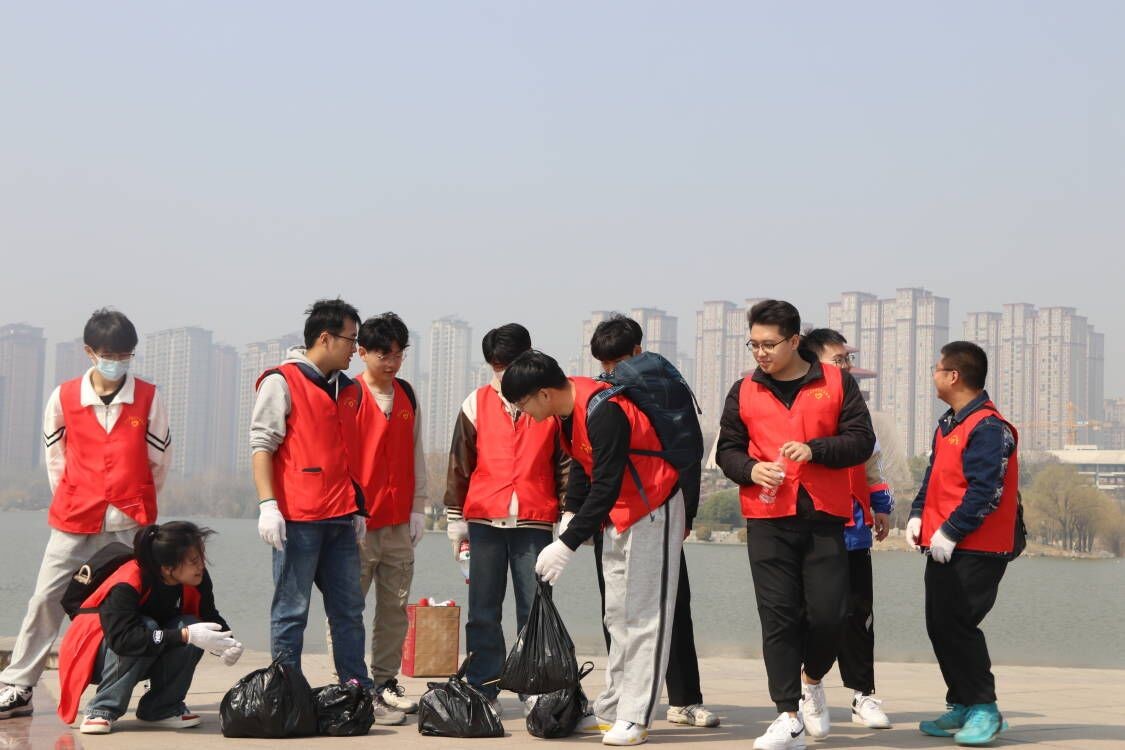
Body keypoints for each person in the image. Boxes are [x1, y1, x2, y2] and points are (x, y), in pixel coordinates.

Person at [501, 350, 684, 747]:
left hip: (651, 506)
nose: (521, 412)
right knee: (617, 615)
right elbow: (583, 470)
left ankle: (636, 716)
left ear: (544, 393)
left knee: (645, 617)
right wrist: (570, 514)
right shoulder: (566, 415)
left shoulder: (604, 411)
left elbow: (606, 484)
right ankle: (613, 707)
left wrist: (566, 544)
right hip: (618, 515)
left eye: (522, 404)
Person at [715, 300, 874, 750]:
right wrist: (750, 469)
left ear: (794, 341)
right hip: (767, 517)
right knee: (778, 617)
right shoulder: (743, 390)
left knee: (831, 614)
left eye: (769, 344)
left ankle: (812, 678)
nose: (760, 353)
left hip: (824, 516)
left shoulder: (837, 383)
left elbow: (861, 441)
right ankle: (787, 716)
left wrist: (815, 449)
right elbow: (727, 450)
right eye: (753, 344)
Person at [0, 309, 171, 721]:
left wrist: (133, 497)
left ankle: (155, 692)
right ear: (90, 352)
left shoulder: (148, 397)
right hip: (74, 518)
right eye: (110, 355)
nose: (118, 362)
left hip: (130, 521)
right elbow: (55, 460)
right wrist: (80, 496)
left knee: (143, 601)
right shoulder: (63, 398)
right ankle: (18, 685)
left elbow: (159, 462)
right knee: (46, 598)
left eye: (126, 355)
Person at [589, 315, 718, 729]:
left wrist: (687, 514)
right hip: (611, 514)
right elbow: (588, 458)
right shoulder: (601, 395)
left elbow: (688, 454)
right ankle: (620, 699)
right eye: (606, 364)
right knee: (616, 612)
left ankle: (684, 699)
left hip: (658, 510)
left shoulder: (664, 391)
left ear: (638, 351)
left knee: (671, 607)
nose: (614, 371)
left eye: (618, 361)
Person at [444, 324, 569, 714]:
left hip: (534, 521)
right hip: (484, 521)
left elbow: (565, 464)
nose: (502, 373)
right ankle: (483, 688)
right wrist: (455, 520)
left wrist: (569, 515)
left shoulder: (548, 404)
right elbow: (460, 463)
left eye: (509, 364)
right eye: (496, 366)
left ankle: (536, 687)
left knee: (535, 609)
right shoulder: (475, 403)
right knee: (483, 611)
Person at [250, 298, 372, 692]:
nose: (355, 349)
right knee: (291, 611)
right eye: (350, 340)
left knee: (349, 611)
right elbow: (262, 446)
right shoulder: (281, 381)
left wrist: (358, 507)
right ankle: (287, 692)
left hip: (341, 518)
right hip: (298, 519)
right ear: (325, 338)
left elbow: (349, 452)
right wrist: (268, 506)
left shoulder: (349, 390)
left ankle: (356, 688)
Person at [908, 341, 1019, 746]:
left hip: (977, 546)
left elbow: (986, 491)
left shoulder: (988, 426)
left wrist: (951, 530)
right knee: (939, 624)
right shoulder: (949, 423)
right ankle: (962, 703)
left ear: (953, 376)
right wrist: (918, 514)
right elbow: (934, 476)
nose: (933, 375)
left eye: (937, 369)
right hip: (943, 544)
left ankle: (985, 708)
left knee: (959, 625)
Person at [331, 312, 427, 723]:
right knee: (348, 608)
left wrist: (419, 507)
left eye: (398, 354)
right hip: (357, 523)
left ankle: (385, 682)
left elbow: (417, 453)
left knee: (394, 607)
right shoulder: (347, 394)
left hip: (399, 522)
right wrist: (344, 510)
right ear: (362, 353)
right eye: (383, 354)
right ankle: (351, 683)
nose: (391, 363)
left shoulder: (407, 394)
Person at [56, 521, 241, 734]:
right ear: (167, 567)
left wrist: (227, 644)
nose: (202, 565)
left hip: (147, 649)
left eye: (201, 557)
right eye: (194, 560)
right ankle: (102, 709)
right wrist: (184, 635)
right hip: (100, 655)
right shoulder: (127, 581)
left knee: (193, 625)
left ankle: (161, 708)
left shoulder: (196, 579)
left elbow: (208, 615)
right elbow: (123, 639)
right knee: (149, 626)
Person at [799, 328, 893, 729]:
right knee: (815, 615)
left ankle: (862, 694)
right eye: (839, 360)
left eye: (848, 359)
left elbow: (873, 463)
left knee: (859, 613)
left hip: (853, 528)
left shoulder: (856, 411)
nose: (848, 366)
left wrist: (881, 505)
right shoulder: (799, 406)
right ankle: (808, 688)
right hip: (812, 526)